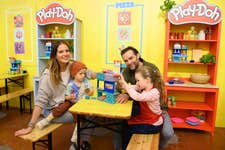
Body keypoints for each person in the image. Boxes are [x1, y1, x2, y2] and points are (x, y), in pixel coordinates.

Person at [14, 41, 96, 149]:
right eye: (61, 51)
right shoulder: (48, 75)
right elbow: (40, 101)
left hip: (68, 104)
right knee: (86, 114)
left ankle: (81, 142)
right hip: (53, 110)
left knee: (92, 113)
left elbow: (89, 73)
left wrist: (99, 74)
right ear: (54, 55)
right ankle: (77, 144)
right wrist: (30, 125)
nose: (65, 54)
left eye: (67, 51)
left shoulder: (72, 65)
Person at [116, 46, 174, 150]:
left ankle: (154, 146)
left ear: (138, 56)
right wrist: (124, 88)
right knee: (123, 125)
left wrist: (127, 87)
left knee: (168, 134)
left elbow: (138, 95)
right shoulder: (128, 72)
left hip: (157, 111)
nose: (129, 62)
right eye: (126, 60)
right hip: (143, 109)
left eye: (131, 58)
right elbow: (131, 88)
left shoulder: (151, 70)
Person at [36, 61, 94, 130]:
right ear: (74, 74)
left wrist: (89, 91)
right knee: (63, 106)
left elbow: (91, 92)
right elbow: (65, 96)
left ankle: (76, 133)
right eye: (80, 74)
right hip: (71, 102)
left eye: (84, 73)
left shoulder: (86, 82)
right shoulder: (71, 84)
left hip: (82, 103)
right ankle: (47, 119)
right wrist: (69, 97)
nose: (83, 75)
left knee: (81, 115)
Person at [118, 66, 164, 148]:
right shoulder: (143, 87)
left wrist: (126, 86)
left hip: (154, 124)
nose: (136, 83)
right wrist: (124, 85)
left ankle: (126, 147)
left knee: (128, 129)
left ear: (147, 80)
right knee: (126, 123)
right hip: (147, 119)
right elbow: (132, 87)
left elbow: (137, 97)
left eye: (138, 80)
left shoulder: (154, 92)